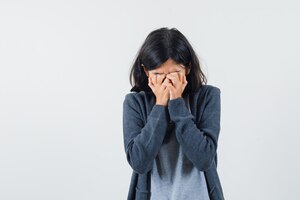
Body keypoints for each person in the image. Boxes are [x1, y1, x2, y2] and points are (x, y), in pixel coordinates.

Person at [122, 27, 225, 200]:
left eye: (174, 73)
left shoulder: (208, 97)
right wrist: (160, 106)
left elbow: (204, 159)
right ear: (146, 71)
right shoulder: (134, 103)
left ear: (188, 68)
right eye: (158, 74)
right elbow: (139, 162)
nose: (166, 81)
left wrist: (177, 104)